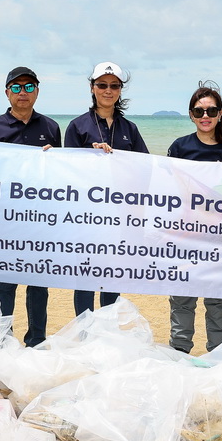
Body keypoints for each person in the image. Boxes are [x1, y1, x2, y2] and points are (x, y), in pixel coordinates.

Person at [0, 66, 61, 346]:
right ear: (6, 92)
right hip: (5, 219)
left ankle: (36, 338)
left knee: (38, 284)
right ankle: (3, 339)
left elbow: (59, 175)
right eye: (16, 87)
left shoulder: (51, 127)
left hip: (39, 218)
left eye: (28, 87)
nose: (22, 93)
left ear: (37, 91)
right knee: (6, 283)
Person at [64, 61, 148, 315]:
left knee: (112, 275)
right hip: (87, 216)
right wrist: (90, 159)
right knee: (86, 276)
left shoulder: (129, 129)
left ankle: (107, 331)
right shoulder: (77, 126)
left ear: (120, 90)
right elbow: (67, 173)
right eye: (102, 85)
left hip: (119, 216)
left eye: (114, 86)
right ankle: (84, 332)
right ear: (92, 88)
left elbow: (145, 168)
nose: (108, 90)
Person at [166, 84, 222, 354]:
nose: (205, 115)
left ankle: (218, 358)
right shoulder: (179, 147)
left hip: (220, 238)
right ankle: (179, 356)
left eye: (211, 110)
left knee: (219, 302)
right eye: (199, 111)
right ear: (191, 114)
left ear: (220, 113)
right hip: (185, 236)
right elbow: (166, 193)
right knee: (182, 301)